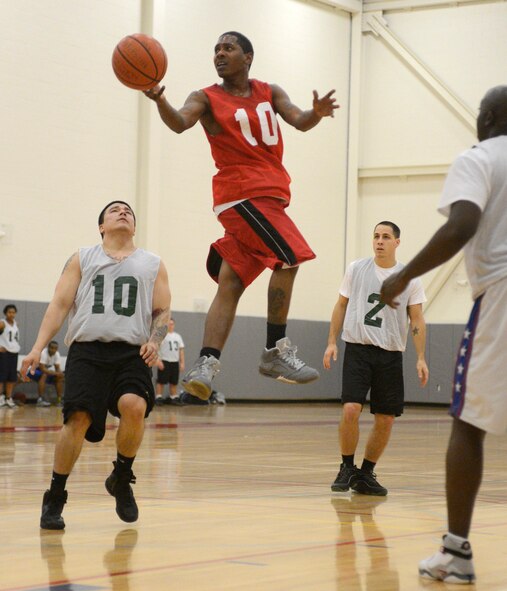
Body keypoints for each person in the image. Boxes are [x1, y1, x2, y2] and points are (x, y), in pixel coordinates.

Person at [144, 31, 339, 400]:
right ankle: (275, 350)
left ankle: (205, 365)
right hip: (242, 197)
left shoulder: (270, 92)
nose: (219, 54)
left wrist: (317, 112)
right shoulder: (205, 97)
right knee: (289, 257)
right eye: (216, 49)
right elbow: (180, 122)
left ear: (248, 57)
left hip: (270, 198)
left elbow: (299, 119)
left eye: (228, 48)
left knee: (230, 282)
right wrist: (160, 99)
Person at [380, 85, 507, 585]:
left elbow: (463, 224)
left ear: (490, 116)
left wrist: (401, 275)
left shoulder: (479, 157)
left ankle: (455, 552)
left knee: (467, 421)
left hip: (500, 294)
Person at [21, 200, 171, 530]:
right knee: (78, 418)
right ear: (101, 226)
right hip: (88, 351)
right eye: (114, 210)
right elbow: (59, 305)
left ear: (134, 226)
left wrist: (155, 340)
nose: (123, 212)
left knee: (134, 406)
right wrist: (36, 349)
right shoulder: (82, 257)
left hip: (132, 352)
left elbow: (161, 312)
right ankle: (55, 496)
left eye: (128, 211)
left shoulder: (152, 263)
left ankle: (121, 476)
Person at [323, 221, 429, 497]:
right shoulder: (357, 268)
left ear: (397, 242)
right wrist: (332, 341)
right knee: (350, 409)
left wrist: (420, 357)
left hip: (391, 354)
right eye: (376, 236)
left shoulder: (410, 277)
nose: (379, 241)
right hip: (358, 350)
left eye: (385, 237)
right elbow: (341, 304)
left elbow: (416, 319)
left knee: (386, 419)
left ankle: (365, 473)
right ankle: (346, 466)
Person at [155, 317, 185, 405]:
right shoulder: (162, 335)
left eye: (172, 324)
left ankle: (173, 397)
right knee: (161, 380)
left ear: (174, 325)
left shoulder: (177, 336)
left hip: (174, 361)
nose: (170, 325)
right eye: (169, 324)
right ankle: (158, 397)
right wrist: (157, 360)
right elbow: (156, 348)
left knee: (174, 381)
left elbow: (181, 350)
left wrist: (182, 362)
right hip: (164, 360)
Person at [28, 340, 65, 407]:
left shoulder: (57, 354)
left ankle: (59, 400)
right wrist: (55, 373)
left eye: (55, 348)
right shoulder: (43, 353)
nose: (53, 350)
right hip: (33, 371)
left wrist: (60, 374)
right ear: (48, 347)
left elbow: (57, 369)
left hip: (45, 372)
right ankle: (40, 400)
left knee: (59, 377)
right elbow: (42, 369)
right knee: (44, 375)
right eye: (52, 348)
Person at [0, 304, 21, 409]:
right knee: (1, 377)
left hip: (14, 352)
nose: (11, 314)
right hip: (4, 353)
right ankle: (0, 398)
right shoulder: (2, 323)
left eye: (13, 312)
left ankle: (8, 398)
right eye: (9, 312)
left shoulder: (16, 323)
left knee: (11, 378)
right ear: (5, 313)